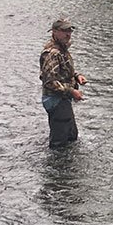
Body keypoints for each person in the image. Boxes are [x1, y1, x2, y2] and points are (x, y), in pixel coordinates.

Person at [40, 18, 87, 147]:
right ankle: (57, 166)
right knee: (59, 144)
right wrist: (72, 91)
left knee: (71, 137)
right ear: (54, 32)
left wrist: (77, 76)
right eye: (64, 31)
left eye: (69, 31)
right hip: (56, 101)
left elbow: (63, 71)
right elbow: (49, 82)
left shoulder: (62, 49)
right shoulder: (53, 54)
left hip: (63, 99)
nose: (68, 34)